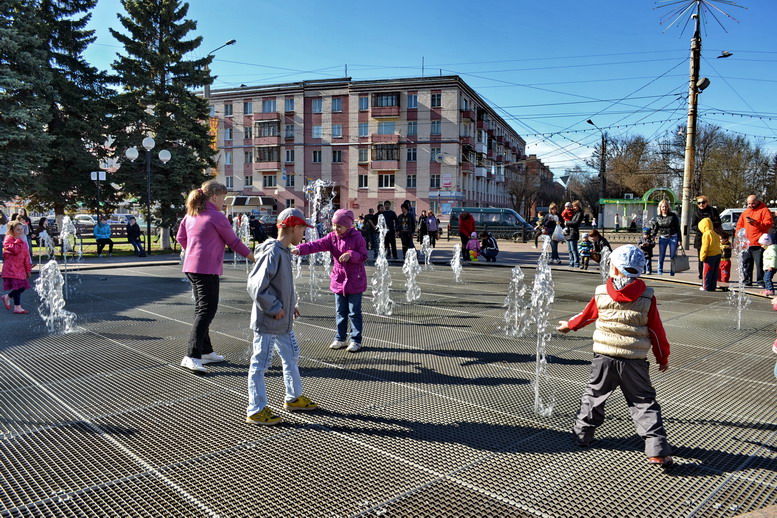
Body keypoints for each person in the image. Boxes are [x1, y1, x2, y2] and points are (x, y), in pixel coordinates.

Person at [557, 245, 673, 466]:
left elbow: (587, 316)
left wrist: (569, 326)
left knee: (593, 396)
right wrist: (662, 357)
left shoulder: (601, 292)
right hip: (634, 362)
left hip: (604, 358)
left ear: (615, 270)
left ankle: (582, 435)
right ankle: (656, 449)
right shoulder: (647, 297)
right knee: (644, 403)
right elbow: (656, 331)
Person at [245, 208, 319, 426]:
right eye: (303, 229)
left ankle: (293, 397)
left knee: (292, 355)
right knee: (260, 363)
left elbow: (281, 285)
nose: (304, 234)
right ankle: (255, 409)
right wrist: (275, 307)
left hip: (283, 319)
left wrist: (290, 305)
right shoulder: (273, 252)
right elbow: (257, 286)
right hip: (269, 321)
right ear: (295, 228)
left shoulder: (284, 251)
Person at [176, 181, 255, 373]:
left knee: (202, 309)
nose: (224, 202)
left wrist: (194, 251)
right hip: (206, 269)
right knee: (206, 310)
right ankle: (191, 355)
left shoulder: (191, 215)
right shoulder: (217, 217)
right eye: (223, 198)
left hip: (192, 267)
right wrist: (254, 257)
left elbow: (180, 238)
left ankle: (206, 351)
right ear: (214, 197)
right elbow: (234, 242)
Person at [292, 209, 368, 353]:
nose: (335, 229)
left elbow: (364, 256)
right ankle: (340, 338)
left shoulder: (357, 237)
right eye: (334, 225)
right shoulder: (332, 237)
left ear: (348, 226)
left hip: (355, 280)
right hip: (339, 279)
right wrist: (299, 249)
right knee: (340, 311)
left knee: (354, 312)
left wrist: (351, 255)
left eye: (339, 226)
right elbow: (316, 245)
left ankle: (356, 340)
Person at [735, 194, 774, 287]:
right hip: (746, 242)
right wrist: (738, 236)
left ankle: (761, 281)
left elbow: (768, 225)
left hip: (759, 242)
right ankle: (747, 281)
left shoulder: (764, 211)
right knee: (746, 263)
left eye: (752, 203)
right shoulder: (745, 212)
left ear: (757, 201)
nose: (750, 205)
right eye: (748, 203)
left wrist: (755, 223)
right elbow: (739, 225)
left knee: (760, 263)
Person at [2, 222, 33, 314]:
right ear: (12, 231)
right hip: (12, 268)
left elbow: (26, 257)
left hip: (20, 268)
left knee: (22, 287)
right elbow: (14, 250)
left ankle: (7, 297)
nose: (20, 231)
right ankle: (17, 307)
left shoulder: (23, 242)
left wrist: (28, 270)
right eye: (18, 229)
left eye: (21, 229)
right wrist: (18, 241)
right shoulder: (8, 240)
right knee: (18, 287)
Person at [691, 195, 723, 280]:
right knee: (701, 257)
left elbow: (718, 222)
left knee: (712, 256)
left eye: (703, 202)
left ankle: (712, 274)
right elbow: (693, 225)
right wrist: (702, 229)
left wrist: (709, 226)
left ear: (707, 202)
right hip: (700, 237)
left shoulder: (713, 211)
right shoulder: (696, 212)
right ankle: (702, 274)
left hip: (712, 236)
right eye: (699, 203)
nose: (701, 204)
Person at [650, 199, 680, 276]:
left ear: (668, 207)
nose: (664, 208)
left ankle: (672, 271)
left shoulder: (673, 216)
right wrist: (653, 236)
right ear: (660, 208)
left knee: (672, 256)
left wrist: (680, 239)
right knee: (661, 255)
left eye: (666, 207)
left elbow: (677, 228)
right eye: (663, 207)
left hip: (673, 237)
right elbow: (656, 228)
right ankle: (660, 270)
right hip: (663, 237)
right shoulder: (658, 217)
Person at [698, 217, 721, 292]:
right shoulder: (714, 233)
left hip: (709, 255)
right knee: (714, 272)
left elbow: (705, 246)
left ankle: (706, 287)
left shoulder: (706, 234)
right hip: (717, 254)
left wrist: (702, 257)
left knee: (707, 272)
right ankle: (712, 286)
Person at [564, 200, 584, 268]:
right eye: (573, 206)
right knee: (569, 250)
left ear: (578, 206)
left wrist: (567, 223)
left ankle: (576, 263)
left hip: (574, 233)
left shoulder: (580, 213)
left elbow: (576, 223)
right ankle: (571, 262)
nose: (574, 208)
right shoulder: (574, 213)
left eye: (575, 206)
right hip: (569, 233)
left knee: (574, 249)